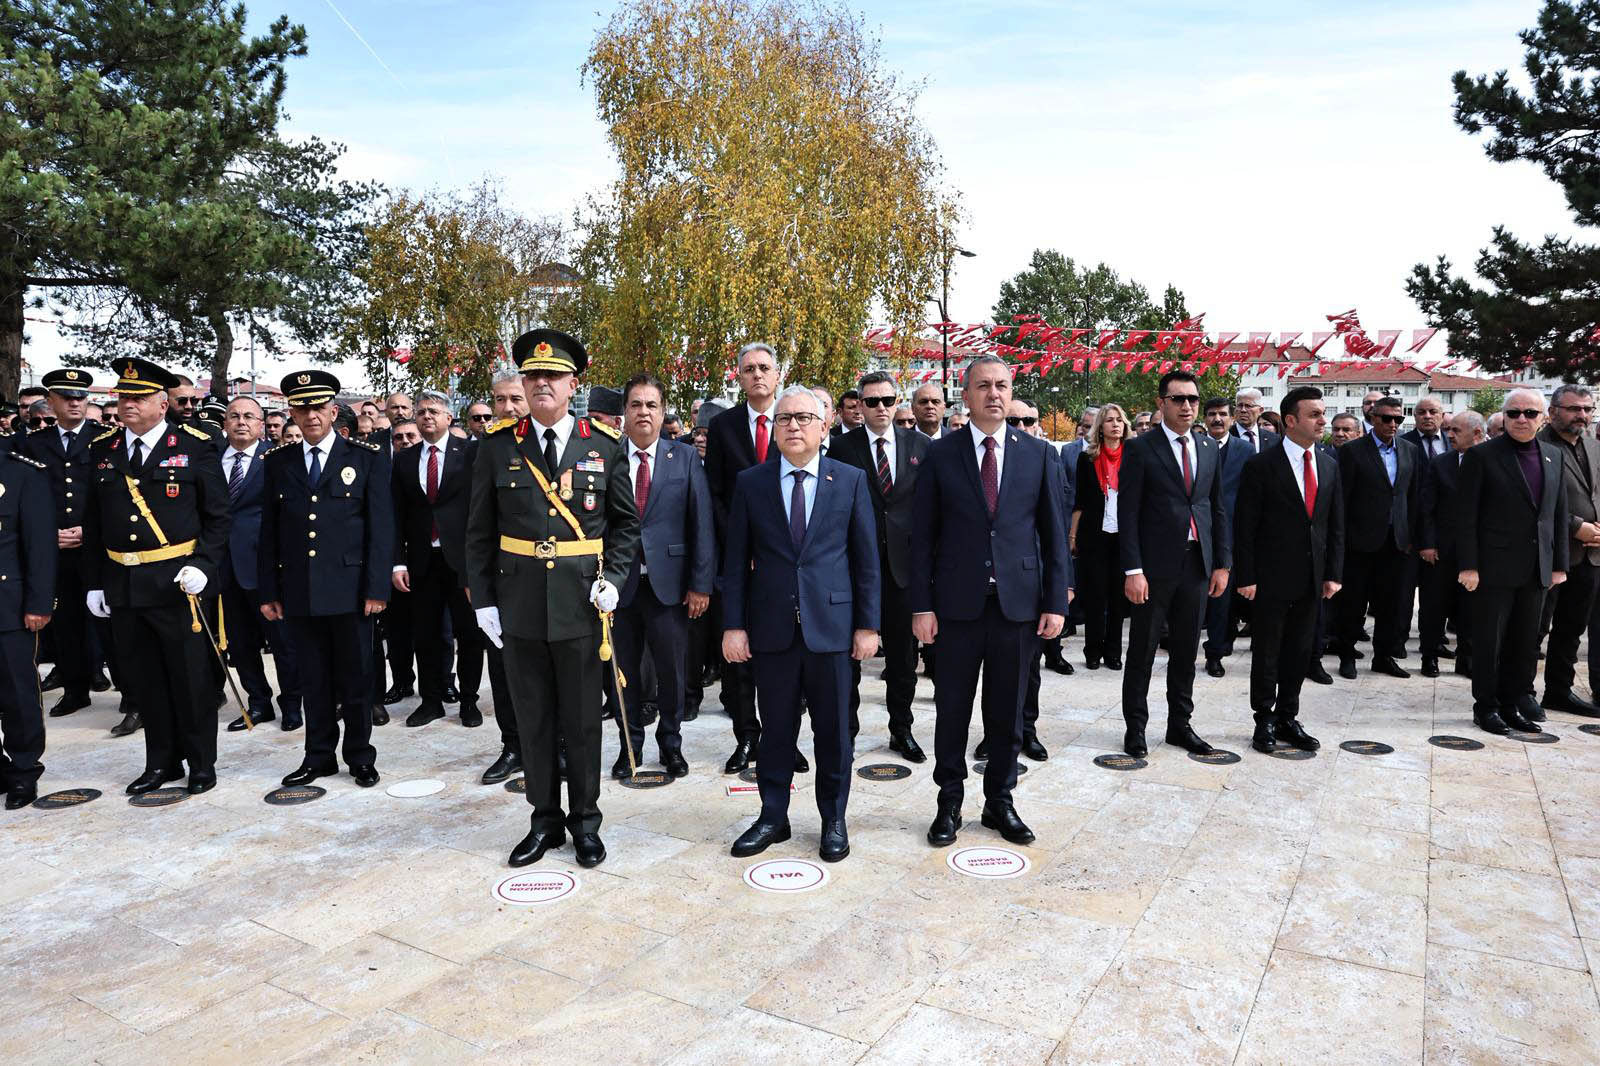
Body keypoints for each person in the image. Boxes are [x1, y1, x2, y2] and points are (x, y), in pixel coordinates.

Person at [465, 329, 639, 869]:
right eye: (534, 376)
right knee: (534, 718)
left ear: (573, 385)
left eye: (555, 376)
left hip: (582, 604)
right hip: (518, 605)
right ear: (523, 382)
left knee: (584, 721)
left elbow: (625, 525)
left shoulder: (603, 446)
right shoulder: (497, 446)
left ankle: (586, 822)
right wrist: (483, 601)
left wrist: (614, 576)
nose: (543, 383)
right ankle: (544, 821)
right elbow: (477, 531)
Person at [911, 355, 1069, 848]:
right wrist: (921, 605)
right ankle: (949, 801)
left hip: (1017, 608)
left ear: (1012, 388)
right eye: (983, 385)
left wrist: (1056, 601)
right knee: (953, 709)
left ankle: (1001, 800)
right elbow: (922, 537)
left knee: (1007, 711)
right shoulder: (941, 454)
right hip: (956, 607)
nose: (994, 394)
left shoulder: (1039, 454)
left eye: (1002, 385)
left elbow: (1054, 534)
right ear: (966, 391)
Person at [723, 385, 878, 860]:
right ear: (774, 427)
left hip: (831, 629)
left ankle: (833, 818)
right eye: (785, 418)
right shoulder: (752, 482)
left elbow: (866, 558)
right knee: (776, 732)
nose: (793, 425)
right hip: (771, 629)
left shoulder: (849, 479)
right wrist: (734, 625)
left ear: (824, 424)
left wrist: (868, 626)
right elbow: (735, 562)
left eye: (804, 417)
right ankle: (773, 816)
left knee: (834, 732)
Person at [82, 358, 230, 795]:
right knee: (143, 681)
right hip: (124, 584)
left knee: (191, 680)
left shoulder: (197, 445)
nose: (128, 404)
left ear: (162, 404)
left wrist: (203, 565)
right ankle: (161, 762)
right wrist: (94, 581)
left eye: (139, 397)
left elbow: (218, 518)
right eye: (124, 397)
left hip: (177, 582)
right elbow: (95, 523)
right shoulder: (104, 449)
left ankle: (201, 763)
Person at [259, 370, 392, 789]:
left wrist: (376, 588)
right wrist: (269, 590)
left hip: (351, 590)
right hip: (300, 591)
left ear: (334, 411)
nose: (311, 415)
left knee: (355, 679)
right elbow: (270, 532)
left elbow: (380, 528)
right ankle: (318, 757)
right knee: (311, 679)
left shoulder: (364, 458)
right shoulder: (279, 463)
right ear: (292, 413)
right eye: (302, 407)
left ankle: (359, 756)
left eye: (318, 407)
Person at [1118, 370, 1230, 758]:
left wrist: (1222, 564)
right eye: (1179, 399)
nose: (1187, 406)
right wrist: (1133, 570)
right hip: (1152, 569)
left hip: (1197, 565)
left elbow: (1216, 508)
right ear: (1161, 402)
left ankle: (1180, 725)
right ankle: (1136, 727)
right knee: (1143, 651)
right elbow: (1127, 513)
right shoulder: (1140, 448)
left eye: (1193, 400)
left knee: (1186, 650)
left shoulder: (1210, 448)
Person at [611, 372, 714, 779]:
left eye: (651, 405)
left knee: (672, 674)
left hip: (670, 586)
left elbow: (701, 522)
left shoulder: (684, 457)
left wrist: (700, 583)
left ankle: (671, 744)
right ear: (624, 412)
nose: (643, 412)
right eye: (636, 404)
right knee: (624, 675)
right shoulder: (607, 457)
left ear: (662, 411)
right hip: (618, 589)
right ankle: (629, 745)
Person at [1232, 387, 1344, 754]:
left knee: (1299, 650)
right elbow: (1245, 526)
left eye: (1323, 413)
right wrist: (1246, 576)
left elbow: (1334, 525)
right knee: (1267, 651)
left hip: (1312, 578)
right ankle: (1263, 718)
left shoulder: (1328, 464)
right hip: (1270, 577)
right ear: (1291, 420)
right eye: (1314, 414)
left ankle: (1288, 716)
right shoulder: (1261, 465)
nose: (1322, 421)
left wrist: (1333, 573)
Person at [831, 370, 930, 760]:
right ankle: (847, 733)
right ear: (859, 405)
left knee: (904, 660)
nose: (881, 408)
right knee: (850, 658)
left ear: (896, 400)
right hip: (854, 569)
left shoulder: (920, 445)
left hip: (904, 570)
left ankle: (901, 730)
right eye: (872, 402)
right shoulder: (841, 448)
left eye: (888, 400)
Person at [1458, 389, 1567, 734]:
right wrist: (1469, 564)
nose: (1522, 419)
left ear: (1543, 417)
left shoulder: (1553, 456)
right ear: (1504, 418)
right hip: (1493, 568)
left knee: (1524, 645)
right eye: (1514, 412)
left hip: (1536, 568)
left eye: (1530, 413)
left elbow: (1558, 513)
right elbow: (1464, 516)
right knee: (1490, 644)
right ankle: (1486, 708)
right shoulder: (1482, 456)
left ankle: (1511, 705)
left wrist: (1559, 563)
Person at [703, 343, 788, 774]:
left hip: (784, 561)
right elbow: (714, 492)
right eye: (749, 369)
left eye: (765, 368)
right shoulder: (724, 426)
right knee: (737, 657)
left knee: (783, 656)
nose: (757, 375)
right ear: (739, 377)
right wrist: (740, 541)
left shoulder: (793, 420)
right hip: (736, 560)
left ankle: (782, 740)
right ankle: (746, 738)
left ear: (777, 375)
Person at [392, 390, 483, 729]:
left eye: (434, 411)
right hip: (421, 560)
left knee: (469, 634)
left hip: (463, 560)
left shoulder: (471, 453)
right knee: (426, 633)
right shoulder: (404, 458)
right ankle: (431, 701)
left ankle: (469, 700)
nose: (427, 416)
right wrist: (397, 562)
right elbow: (397, 514)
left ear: (449, 418)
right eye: (421, 411)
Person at [21, 369, 107, 721]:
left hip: (97, 546)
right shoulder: (33, 445)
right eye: (67, 396)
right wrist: (46, 534)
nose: (75, 402)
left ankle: (132, 696)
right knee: (66, 621)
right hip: (54, 547)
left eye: (81, 397)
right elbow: (28, 498)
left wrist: (88, 531)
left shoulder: (107, 440)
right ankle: (75, 689)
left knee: (110, 622)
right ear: (51, 401)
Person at [219, 396, 302, 732]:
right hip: (222, 567)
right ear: (225, 422)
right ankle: (258, 703)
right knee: (240, 644)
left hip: (266, 565)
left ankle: (293, 704)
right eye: (234, 416)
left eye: (249, 417)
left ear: (262, 423)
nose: (241, 422)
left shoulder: (278, 459)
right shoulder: (209, 459)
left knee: (283, 642)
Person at [1335, 395, 1420, 679]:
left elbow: (1414, 496)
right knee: (1353, 603)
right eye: (1386, 418)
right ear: (1372, 418)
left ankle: (1384, 656)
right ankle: (1347, 655)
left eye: (1399, 419)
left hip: (1397, 541)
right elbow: (1342, 499)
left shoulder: (1410, 450)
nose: (1393, 424)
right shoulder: (1352, 451)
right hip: (1360, 541)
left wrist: (1412, 535)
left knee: (1390, 604)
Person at [1537, 385, 1600, 717]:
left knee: (1571, 630)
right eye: (1575, 409)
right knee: (1531, 630)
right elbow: (1533, 500)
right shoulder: (1536, 446)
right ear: (1553, 411)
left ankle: (1558, 692)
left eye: (1588, 409)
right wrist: (1577, 526)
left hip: (1589, 557)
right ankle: (1515, 693)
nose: (1583, 416)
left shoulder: (1594, 446)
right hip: (1546, 554)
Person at [0, 447, 55, 808]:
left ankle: (23, 770)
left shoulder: (21, 472)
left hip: (8, 604)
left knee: (17, 693)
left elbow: (39, 546)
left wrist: (38, 603)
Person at [1418, 411, 1482, 679]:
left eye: (1456, 430)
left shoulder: (1493, 462)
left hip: (1480, 552)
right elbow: (1426, 508)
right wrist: (1427, 544)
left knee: (1472, 610)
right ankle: (1429, 656)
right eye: (1449, 429)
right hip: (1442, 551)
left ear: (1477, 434)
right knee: (1433, 606)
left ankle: (1466, 659)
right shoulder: (1441, 463)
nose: (1449, 434)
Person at [1072, 403, 1128, 670]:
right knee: (1095, 597)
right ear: (1100, 427)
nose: (1115, 425)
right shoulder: (1087, 458)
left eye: (1119, 420)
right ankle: (1092, 651)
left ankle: (1114, 653)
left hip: (1124, 537)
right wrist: (1072, 537)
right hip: (1094, 536)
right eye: (1109, 421)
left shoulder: (1134, 455)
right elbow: (1080, 502)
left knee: (1118, 600)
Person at [1200, 396, 1250, 677]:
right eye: (1211, 414)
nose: (1217, 419)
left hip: (1231, 535)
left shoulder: (1245, 451)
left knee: (1223, 599)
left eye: (1222, 414)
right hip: (1195, 534)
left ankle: (1216, 652)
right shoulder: (1195, 447)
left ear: (1231, 418)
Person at [1231, 387, 1278, 454]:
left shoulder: (1274, 439)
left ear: (1260, 410)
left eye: (1248, 406)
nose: (1243, 410)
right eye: (1240, 405)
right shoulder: (1226, 436)